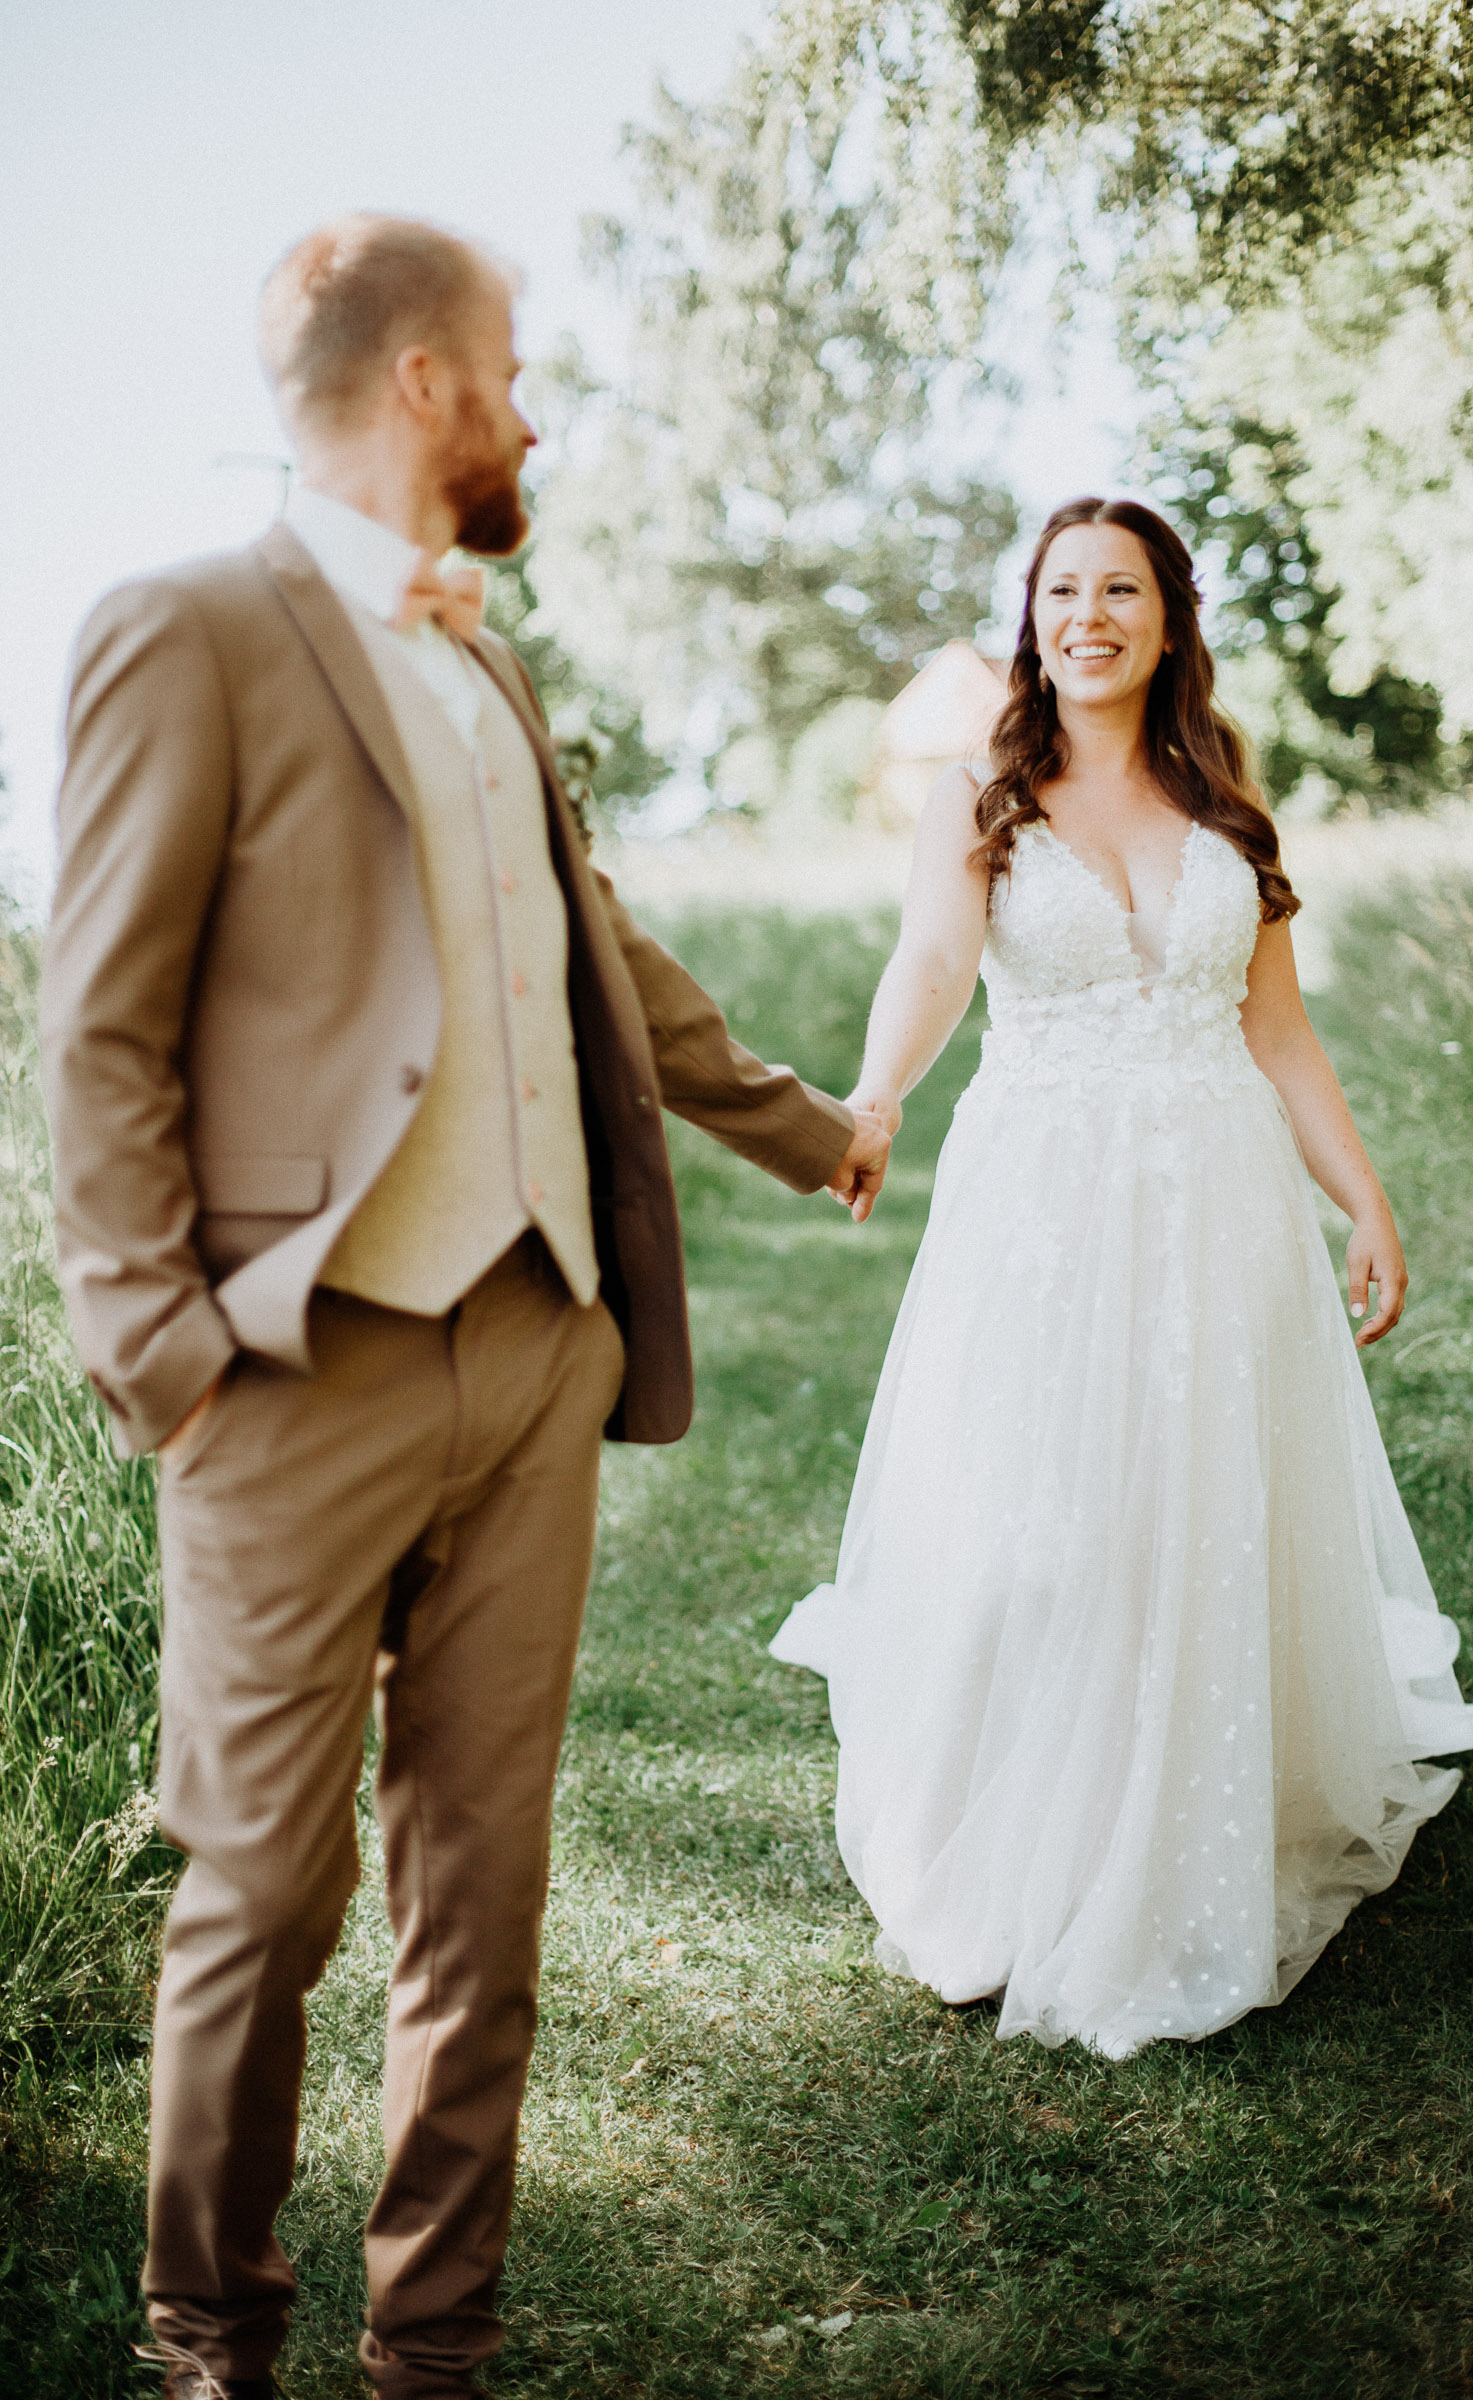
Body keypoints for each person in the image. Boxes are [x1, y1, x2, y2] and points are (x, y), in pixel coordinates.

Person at [41, 213, 891, 2400]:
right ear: (420, 381)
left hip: (538, 1346)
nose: (529, 414)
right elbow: (102, 1033)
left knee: (479, 1899)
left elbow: (586, 957)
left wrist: (800, 1124)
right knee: (261, 1897)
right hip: (291, 1370)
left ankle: (437, 2348)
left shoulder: (485, 660)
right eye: (508, 371)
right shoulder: (186, 625)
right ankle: (208, 2338)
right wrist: (165, 1356)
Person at [772, 496, 1473, 2059]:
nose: (1089, 614)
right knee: (1052, 1502)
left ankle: (1199, 1800)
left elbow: (1278, 1031)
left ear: (1170, 619)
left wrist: (1361, 1198)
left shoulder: (1229, 807)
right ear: (1033, 616)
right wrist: (874, 1099)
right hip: (1046, 1198)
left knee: (1199, 1493)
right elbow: (933, 965)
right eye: (1063, 589)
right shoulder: (982, 793)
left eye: (1123, 590)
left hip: (1223, 1193)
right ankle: (1029, 1819)